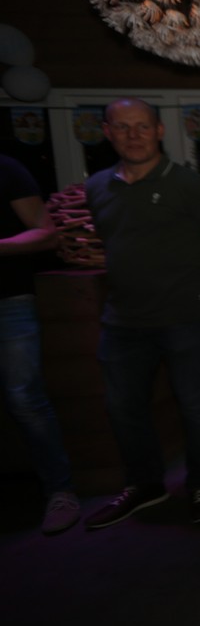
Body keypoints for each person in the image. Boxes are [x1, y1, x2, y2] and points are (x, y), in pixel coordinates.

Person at [83, 98, 200, 530]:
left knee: (196, 409)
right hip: (122, 321)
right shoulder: (96, 187)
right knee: (123, 409)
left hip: (184, 317)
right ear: (107, 132)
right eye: (122, 127)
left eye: (142, 126)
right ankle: (146, 485)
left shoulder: (190, 185)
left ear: (159, 131)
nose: (133, 135)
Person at [0, 153, 80, 535]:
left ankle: (60, 491)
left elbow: (46, 233)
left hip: (8, 301)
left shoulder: (5, 169)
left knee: (25, 400)